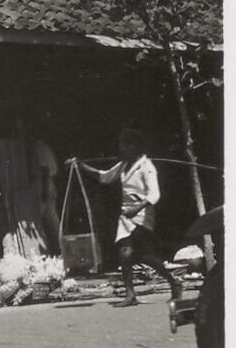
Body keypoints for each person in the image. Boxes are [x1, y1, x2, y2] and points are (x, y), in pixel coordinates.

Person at [73, 128, 181, 307]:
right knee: (125, 253)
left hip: (142, 216)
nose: (121, 149)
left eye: (124, 145)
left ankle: (173, 282)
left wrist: (136, 209)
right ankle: (131, 294)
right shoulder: (123, 165)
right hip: (125, 217)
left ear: (134, 146)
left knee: (144, 256)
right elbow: (104, 177)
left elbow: (154, 195)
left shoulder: (146, 167)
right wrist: (81, 165)